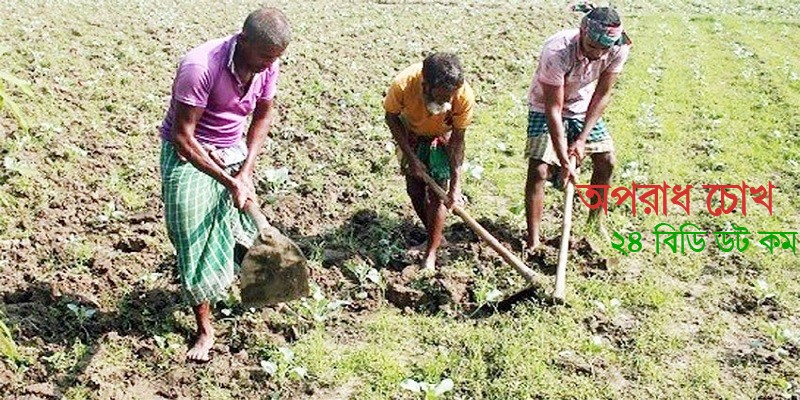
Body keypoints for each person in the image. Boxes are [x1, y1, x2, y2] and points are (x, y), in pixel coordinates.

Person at [159, 7, 290, 362]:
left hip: (232, 149)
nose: (269, 64)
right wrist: (227, 179)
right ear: (242, 40)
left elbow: (263, 113)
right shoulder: (200, 66)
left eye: (276, 58)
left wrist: (245, 170)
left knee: (245, 227)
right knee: (192, 237)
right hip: (188, 153)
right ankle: (205, 328)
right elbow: (182, 137)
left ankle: (244, 285)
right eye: (264, 56)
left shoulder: (268, 63)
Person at [523, 6, 632, 251]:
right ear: (582, 31)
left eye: (604, 49)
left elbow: (602, 95)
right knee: (540, 169)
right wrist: (563, 160)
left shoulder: (620, 46)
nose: (598, 54)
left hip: (582, 107)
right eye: (593, 46)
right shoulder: (557, 50)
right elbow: (553, 108)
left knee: (607, 160)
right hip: (545, 105)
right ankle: (533, 239)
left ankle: (595, 223)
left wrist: (581, 140)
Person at [384, 52, 476, 273]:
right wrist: (412, 159)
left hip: (442, 139)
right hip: (411, 135)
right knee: (414, 190)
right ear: (425, 86)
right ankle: (436, 236)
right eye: (442, 98)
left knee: (438, 196)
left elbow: (458, 140)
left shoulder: (463, 96)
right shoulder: (403, 84)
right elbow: (391, 117)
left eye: (450, 98)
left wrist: (456, 186)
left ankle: (431, 254)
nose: (447, 103)